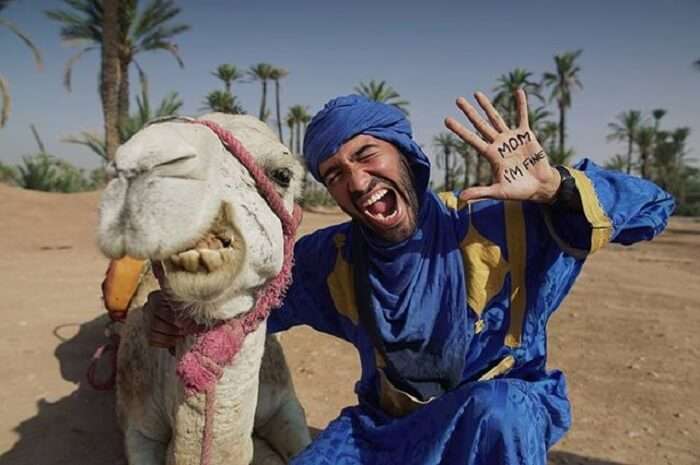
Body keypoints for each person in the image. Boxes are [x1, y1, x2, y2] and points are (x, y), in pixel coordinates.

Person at [154, 89, 675, 464]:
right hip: (387, 429)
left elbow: (653, 206)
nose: (357, 181)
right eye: (335, 173)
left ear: (405, 154)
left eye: (366, 154)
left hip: (495, 420)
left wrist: (555, 189)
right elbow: (250, 302)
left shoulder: (505, 225)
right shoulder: (332, 258)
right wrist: (181, 309)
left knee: (502, 411)